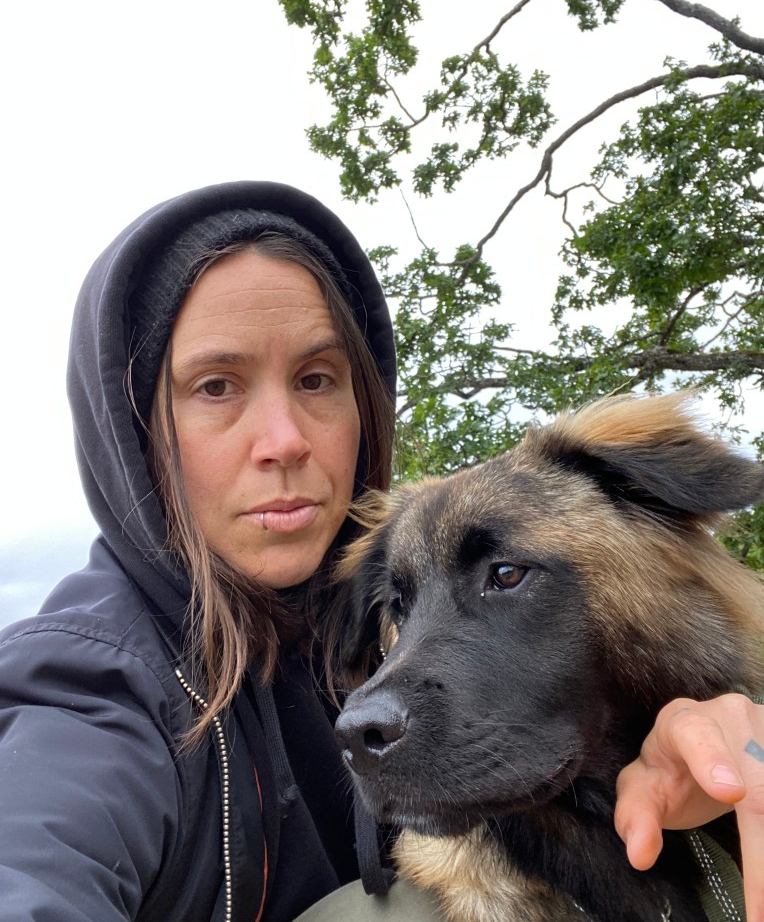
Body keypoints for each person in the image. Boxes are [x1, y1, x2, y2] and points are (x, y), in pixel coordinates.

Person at [0, 180, 761, 922]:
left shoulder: (366, 596)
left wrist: (731, 750)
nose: (285, 439)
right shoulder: (95, 682)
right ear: (136, 433)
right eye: (216, 386)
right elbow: (33, 856)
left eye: (317, 377)